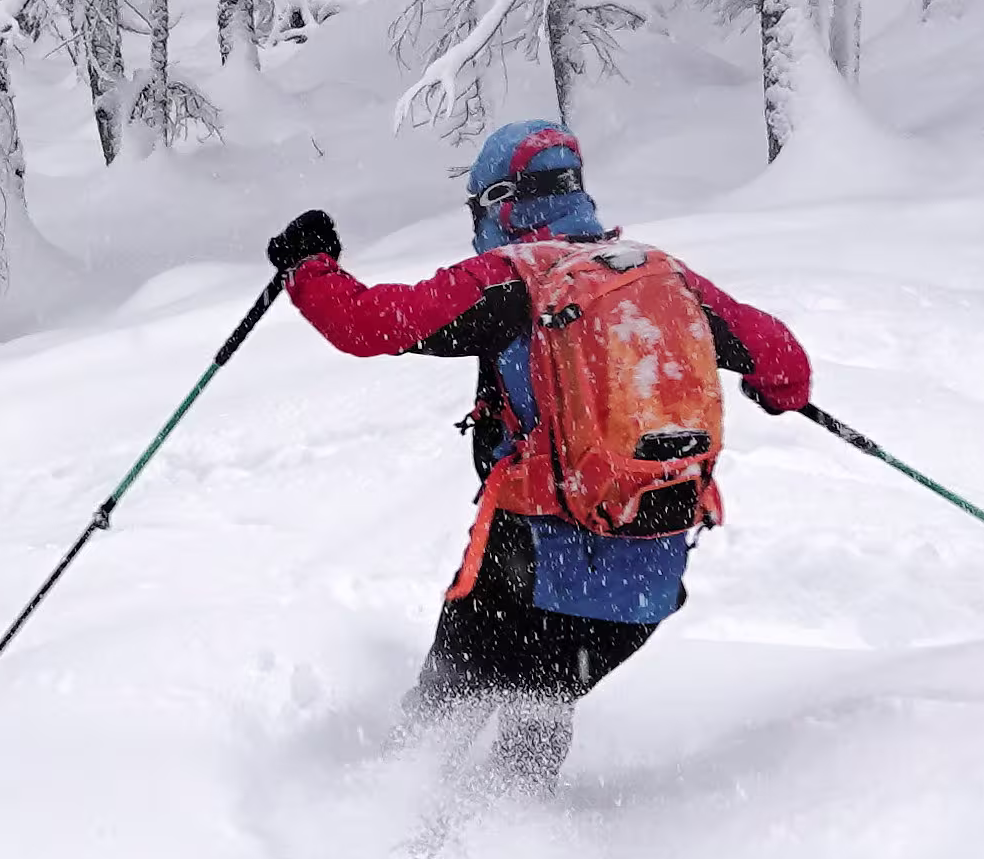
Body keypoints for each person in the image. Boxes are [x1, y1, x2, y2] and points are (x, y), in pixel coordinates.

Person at [264, 119, 812, 792]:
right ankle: (516, 840)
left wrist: (307, 265)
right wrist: (774, 390)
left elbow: (370, 323)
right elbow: (784, 361)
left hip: (526, 572)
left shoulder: (512, 280)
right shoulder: (664, 276)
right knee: (543, 699)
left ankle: (390, 833)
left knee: (447, 707)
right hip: (643, 589)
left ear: (501, 202)